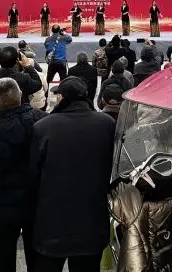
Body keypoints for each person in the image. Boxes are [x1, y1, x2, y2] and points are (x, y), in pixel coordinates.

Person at [28, 77, 115, 272]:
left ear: (62, 97)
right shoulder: (107, 124)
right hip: (91, 220)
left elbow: (33, 174)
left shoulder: (43, 127)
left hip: (52, 222)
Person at [0, 77, 48, 272]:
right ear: (20, 95)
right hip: (37, 199)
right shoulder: (43, 121)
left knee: (3, 258)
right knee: (37, 258)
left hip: (2, 202)